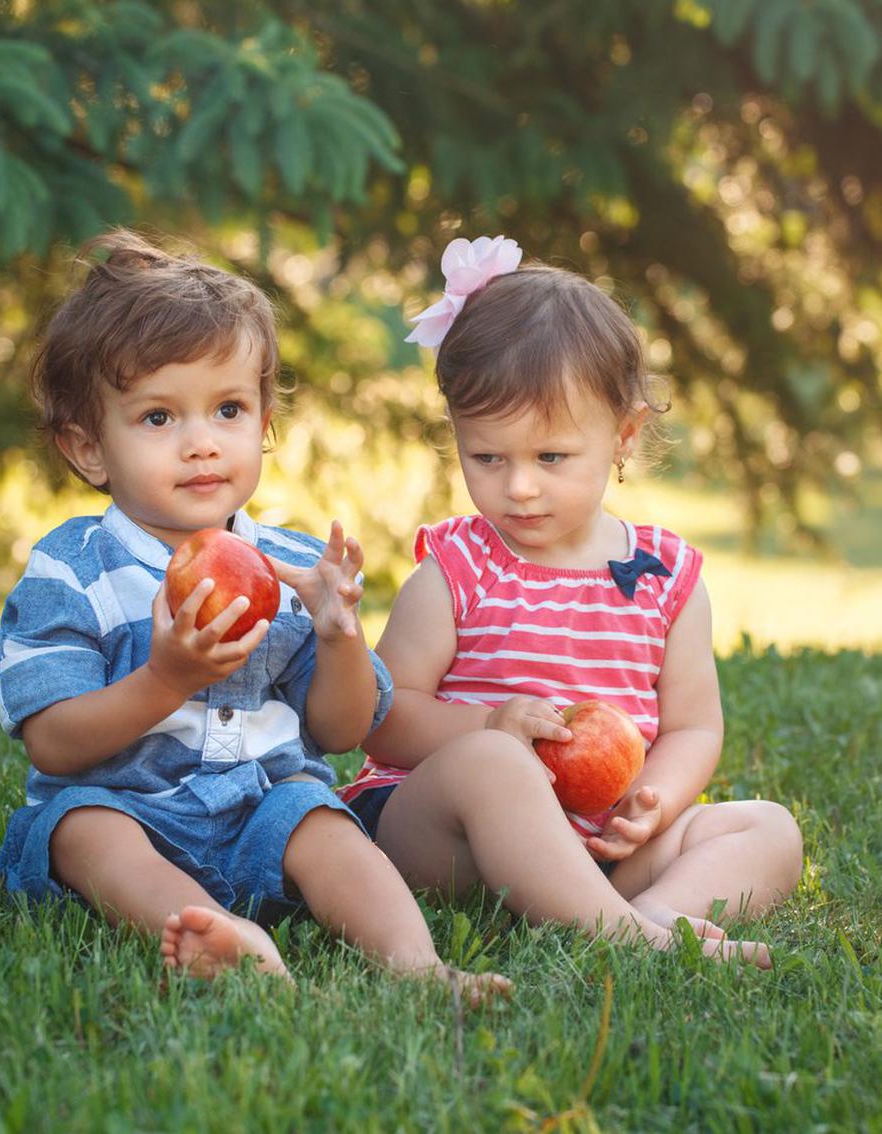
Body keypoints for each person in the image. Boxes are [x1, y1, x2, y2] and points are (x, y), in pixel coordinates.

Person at [0, 229, 510, 999]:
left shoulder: (286, 564)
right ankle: (214, 930)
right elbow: (53, 743)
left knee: (321, 819)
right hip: (132, 811)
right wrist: (166, 679)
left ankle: (421, 968)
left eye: (227, 409)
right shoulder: (72, 569)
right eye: (159, 418)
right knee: (79, 829)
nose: (202, 444)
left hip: (261, 814)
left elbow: (341, 732)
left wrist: (337, 638)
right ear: (89, 447)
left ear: (263, 420)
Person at [339, 235, 803, 966]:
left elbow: (692, 729)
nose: (519, 487)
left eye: (550, 458)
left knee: (769, 829)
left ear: (623, 435)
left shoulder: (664, 578)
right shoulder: (458, 569)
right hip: (451, 839)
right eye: (487, 457)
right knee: (497, 762)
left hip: (597, 845)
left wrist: (650, 803)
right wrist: (489, 724)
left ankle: (643, 921)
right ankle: (619, 934)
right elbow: (384, 722)